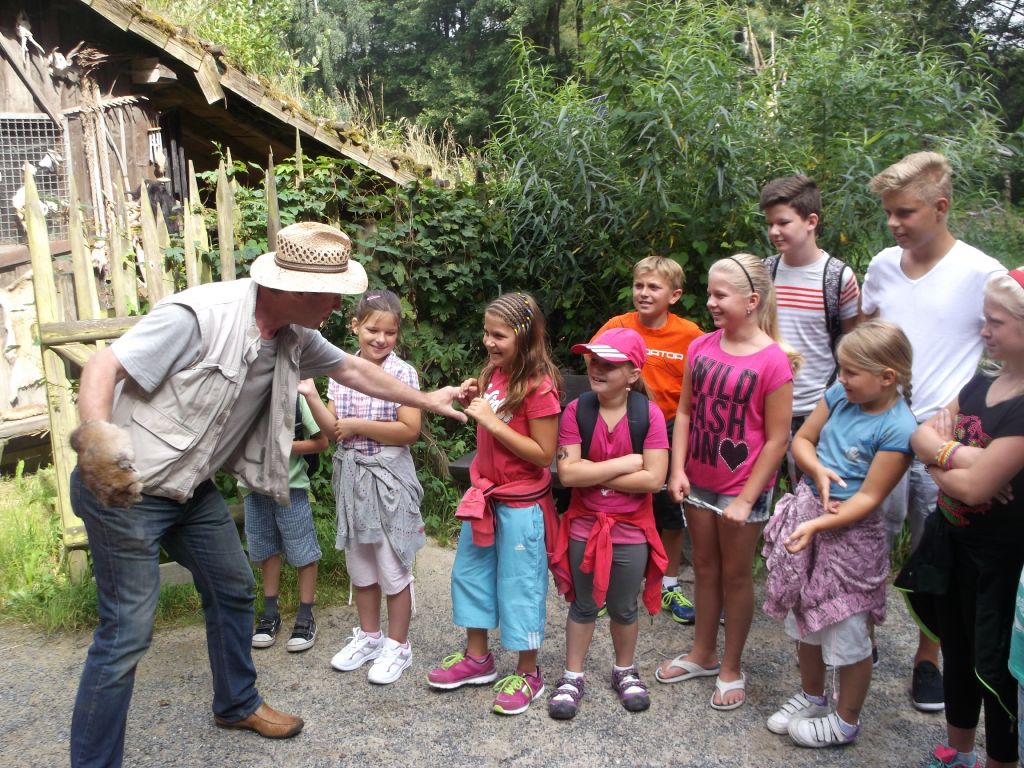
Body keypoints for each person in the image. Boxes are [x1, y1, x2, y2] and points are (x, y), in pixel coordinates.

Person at [67, 221, 464, 768]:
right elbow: (103, 365)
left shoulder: (295, 335)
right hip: (125, 489)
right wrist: (98, 446)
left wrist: (428, 399)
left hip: (190, 489)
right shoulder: (200, 316)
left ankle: (236, 703)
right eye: (329, 294)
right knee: (127, 632)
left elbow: (354, 370)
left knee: (233, 588)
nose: (336, 305)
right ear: (294, 288)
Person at [860, 151, 1005, 712]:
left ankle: (929, 657)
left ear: (941, 207)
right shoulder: (882, 265)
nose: (893, 223)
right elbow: (868, 334)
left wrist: (968, 404)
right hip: (879, 426)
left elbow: (1007, 350)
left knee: (935, 545)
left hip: (944, 436)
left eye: (905, 212)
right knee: (868, 533)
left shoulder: (981, 273)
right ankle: (863, 639)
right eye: (888, 213)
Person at [762, 320, 915, 748]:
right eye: (841, 369)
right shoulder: (839, 395)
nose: (841, 378)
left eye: (851, 372)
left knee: (848, 629)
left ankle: (846, 718)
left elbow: (868, 498)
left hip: (852, 540)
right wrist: (817, 471)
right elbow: (803, 440)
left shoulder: (899, 427)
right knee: (803, 615)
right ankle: (813, 696)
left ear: (887, 377)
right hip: (811, 515)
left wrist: (815, 525)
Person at [654, 253, 797, 712]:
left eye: (721, 295)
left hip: (742, 489)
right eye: (710, 293)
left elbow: (777, 439)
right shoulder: (701, 346)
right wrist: (677, 469)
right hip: (698, 479)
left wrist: (747, 499)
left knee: (736, 575)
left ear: (752, 301)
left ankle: (732, 665)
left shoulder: (773, 361)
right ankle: (703, 653)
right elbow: (685, 412)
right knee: (705, 567)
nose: (711, 302)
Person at [899, 270, 1024, 768]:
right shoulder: (982, 380)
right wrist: (960, 457)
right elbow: (919, 434)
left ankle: (999, 760)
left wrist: (939, 459)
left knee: (995, 663)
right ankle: (959, 751)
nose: (983, 331)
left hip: (1000, 564)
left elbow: (974, 489)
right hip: (953, 544)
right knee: (956, 647)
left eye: (995, 322)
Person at [427, 292, 562, 716]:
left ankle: (528, 672)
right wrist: (474, 396)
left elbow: (543, 454)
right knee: (471, 574)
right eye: (486, 333)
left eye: (499, 335)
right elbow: (493, 414)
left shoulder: (540, 388)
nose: (488, 342)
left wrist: (489, 420)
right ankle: (478, 658)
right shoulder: (494, 373)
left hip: (521, 505)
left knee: (520, 586)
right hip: (484, 498)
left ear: (526, 337)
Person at [303, 290, 425, 685]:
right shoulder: (340, 371)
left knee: (393, 563)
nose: (381, 339)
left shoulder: (402, 373)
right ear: (355, 326)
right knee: (362, 565)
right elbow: (331, 431)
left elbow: (410, 430)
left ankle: (398, 645)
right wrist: (310, 394)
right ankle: (370, 637)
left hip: (388, 480)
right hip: (352, 479)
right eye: (373, 330)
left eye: (390, 332)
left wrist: (358, 426)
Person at [547, 328, 669, 719]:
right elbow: (568, 475)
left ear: (633, 373)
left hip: (631, 529)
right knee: (583, 604)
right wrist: (626, 464)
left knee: (623, 606)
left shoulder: (647, 414)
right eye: (594, 360)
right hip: (584, 525)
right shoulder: (577, 410)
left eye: (609, 364)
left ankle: (624, 670)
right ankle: (572, 675)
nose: (597, 369)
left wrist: (593, 471)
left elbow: (654, 480)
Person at [592, 256, 703, 625]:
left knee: (670, 507)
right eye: (639, 285)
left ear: (674, 295)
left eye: (654, 287)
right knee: (614, 501)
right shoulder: (617, 327)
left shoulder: (690, 335)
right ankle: (609, 582)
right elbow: (595, 367)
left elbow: (701, 385)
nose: (643, 293)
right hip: (621, 424)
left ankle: (669, 583)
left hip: (668, 429)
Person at [759, 175, 860, 487]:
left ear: (811, 221)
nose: (774, 231)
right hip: (764, 404)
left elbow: (851, 343)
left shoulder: (838, 277)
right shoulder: (765, 272)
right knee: (756, 489)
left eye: (783, 222)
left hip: (816, 408)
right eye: (770, 224)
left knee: (809, 493)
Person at [246, 383, 328, 652]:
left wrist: (284, 447)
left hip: (291, 487)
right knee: (265, 550)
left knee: (303, 550)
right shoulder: (241, 394)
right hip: (252, 486)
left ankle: (306, 614)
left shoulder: (295, 397)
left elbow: (321, 442)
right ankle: (270, 612)